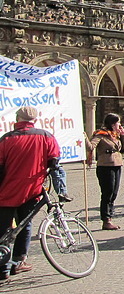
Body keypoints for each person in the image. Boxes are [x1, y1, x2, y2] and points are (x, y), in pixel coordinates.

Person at [0, 107, 60, 279]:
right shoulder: (46, 136)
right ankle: (19, 261)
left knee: (3, 229)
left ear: (18, 119)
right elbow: (54, 161)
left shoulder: (6, 139)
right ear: (34, 119)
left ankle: (3, 269)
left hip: (7, 192)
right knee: (24, 225)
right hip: (32, 190)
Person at [87, 113, 124, 231]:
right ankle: (106, 220)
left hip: (117, 164)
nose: (120, 125)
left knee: (114, 193)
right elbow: (91, 147)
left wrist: (123, 136)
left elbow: (123, 149)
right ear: (112, 124)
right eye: (118, 123)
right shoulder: (101, 134)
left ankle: (110, 217)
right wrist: (84, 138)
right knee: (107, 193)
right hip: (105, 166)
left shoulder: (116, 135)